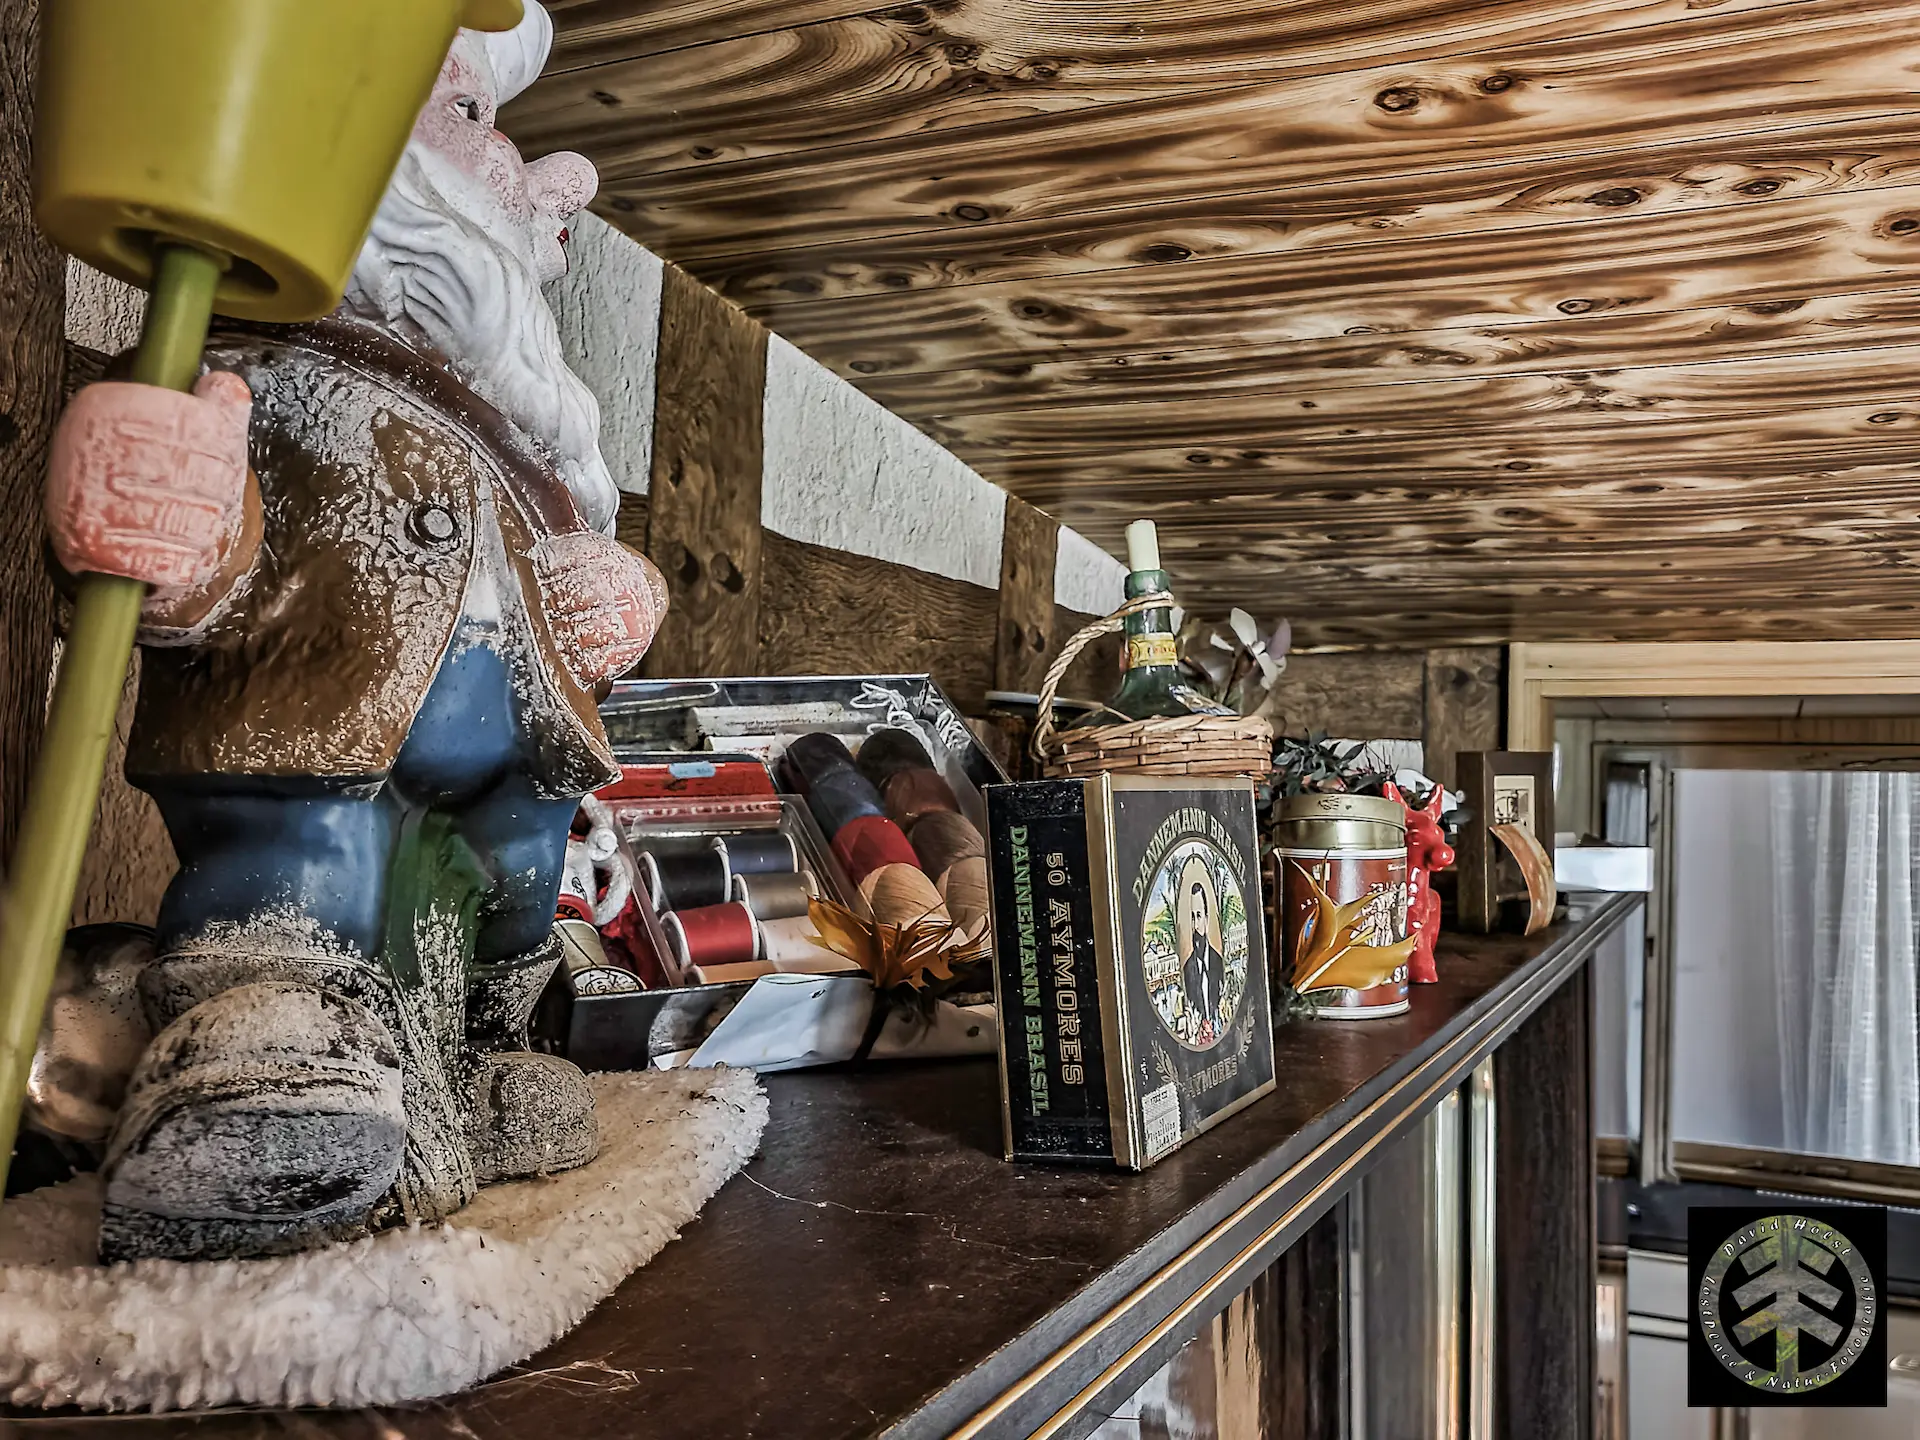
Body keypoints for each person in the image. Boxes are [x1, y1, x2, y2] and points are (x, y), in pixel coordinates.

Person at [41, 2, 665, 1262]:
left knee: (509, 893)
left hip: (507, 765)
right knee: (310, 863)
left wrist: (590, 604)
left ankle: (484, 1053)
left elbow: (538, 591)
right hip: (313, 717)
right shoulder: (279, 380)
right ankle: (266, 1067)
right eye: (473, 116)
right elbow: (220, 542)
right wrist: (187, 526)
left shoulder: (515, 439)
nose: (522, 172)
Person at [1180, 878, 1226, 1046]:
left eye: (1198, 916)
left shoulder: (1219, 963)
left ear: (1207, 920)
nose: (1195, 925)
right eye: (1191, 917)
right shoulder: (1186, 969)